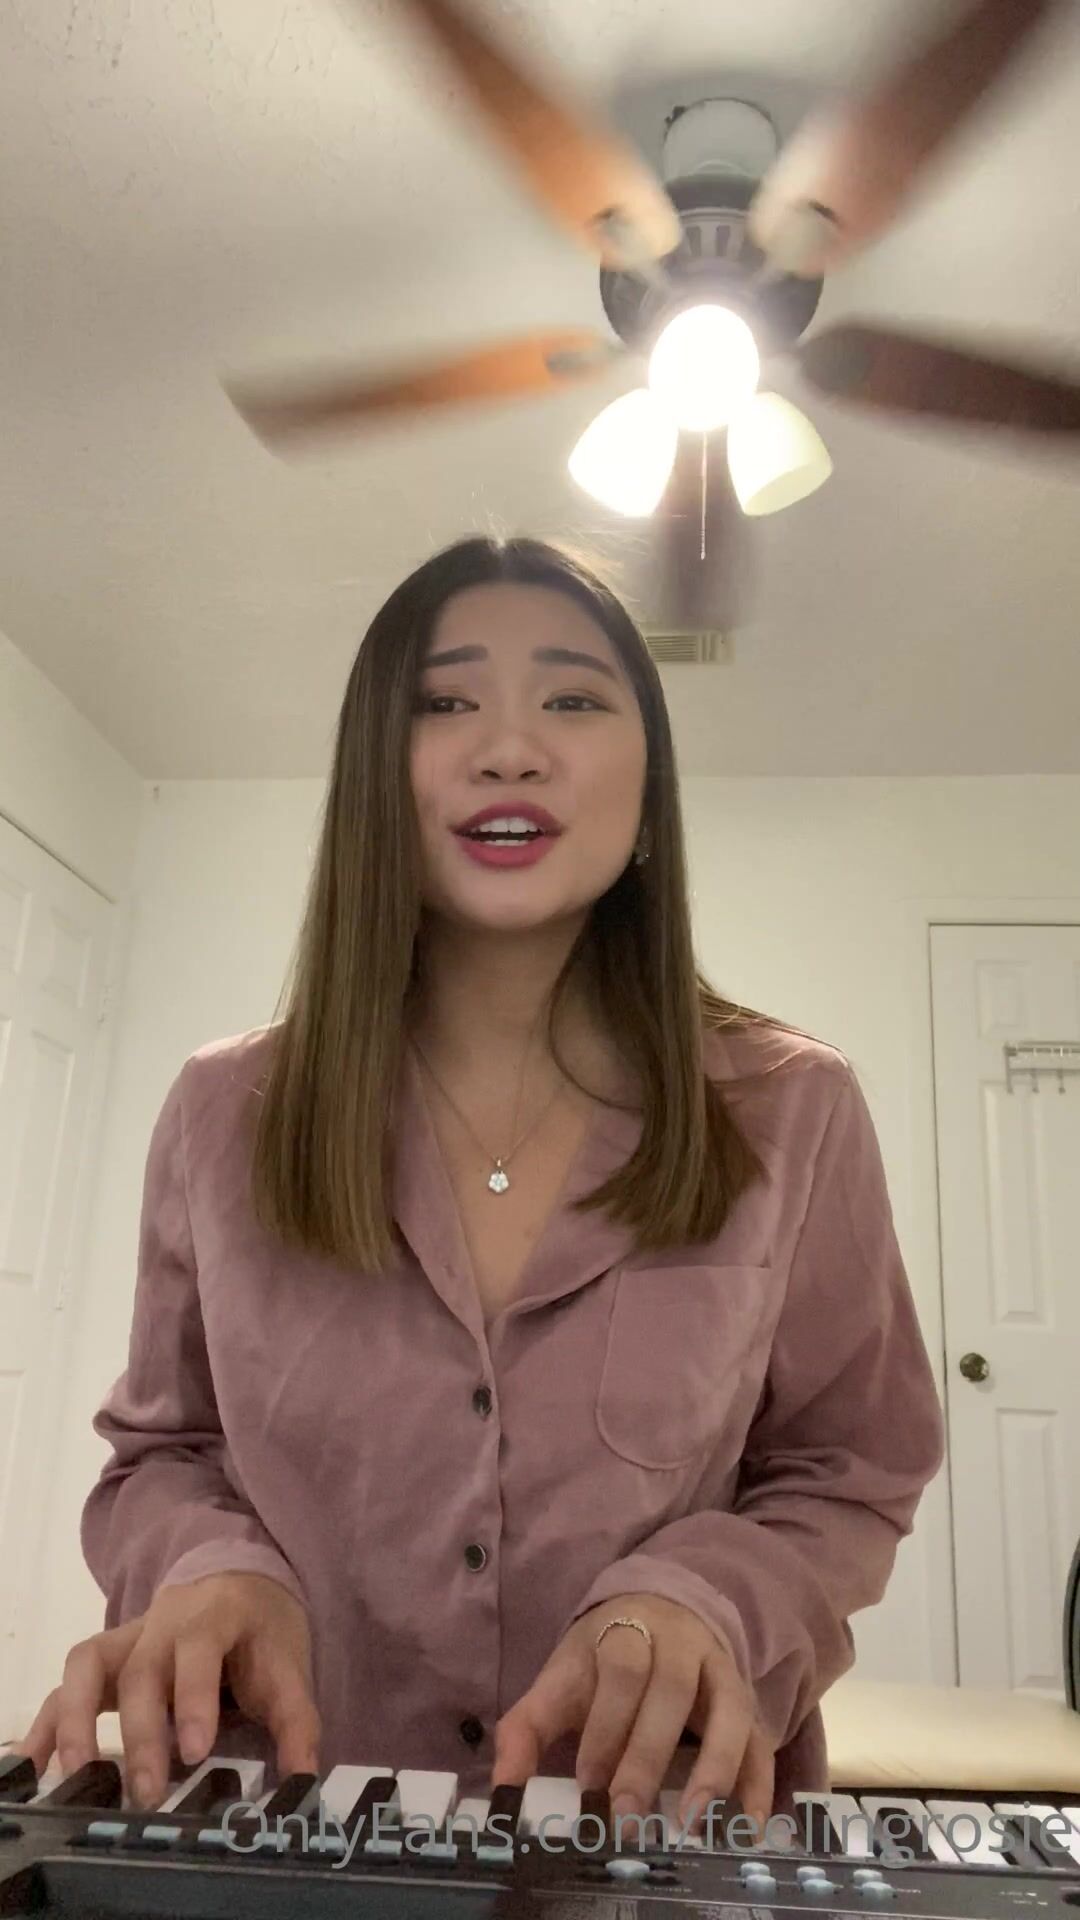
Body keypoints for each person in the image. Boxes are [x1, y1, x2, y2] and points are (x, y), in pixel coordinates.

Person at [19, 535, 943, 1841]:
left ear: (649, 794)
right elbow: (164, 1454)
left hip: (662, 1843)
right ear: (372, 781)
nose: (510, 750)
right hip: (284, 1841)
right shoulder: (222, 1113)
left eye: (572, 698)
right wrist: (214, 1573)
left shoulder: (796, 1109)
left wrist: (702, 1599)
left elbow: (849, 1469)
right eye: (446, 701)